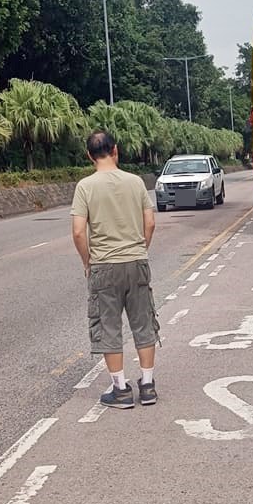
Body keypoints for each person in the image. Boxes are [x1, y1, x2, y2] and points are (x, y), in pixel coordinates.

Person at [71, 129, 160, 409]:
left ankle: (120, 390)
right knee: (143, 323)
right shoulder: (135, 183)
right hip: (136, 261)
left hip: (103, 266)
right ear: (116, 150)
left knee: (109, 326)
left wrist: (88, 261)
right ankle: (147, 386)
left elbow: (77, 232)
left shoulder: (85, 187)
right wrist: (139, 251)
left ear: (89, 156)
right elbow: (151, 223)